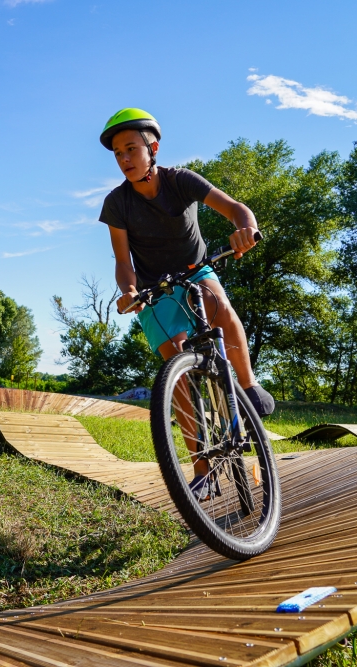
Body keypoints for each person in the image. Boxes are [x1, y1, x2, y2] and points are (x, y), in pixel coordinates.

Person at [97, 108, 274, 498]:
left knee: (220, 305)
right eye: (117, 154)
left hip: (196, 270)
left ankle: (247, 386)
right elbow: (123, 263)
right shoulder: (117, 204)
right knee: (175, 370)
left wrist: (246, 228)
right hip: (153, 289)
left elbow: (235, 209)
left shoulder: (181, 181)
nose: (124, 159)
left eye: (131, 149)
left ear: (152, 148)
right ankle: (202, 468)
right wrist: (128, 294)